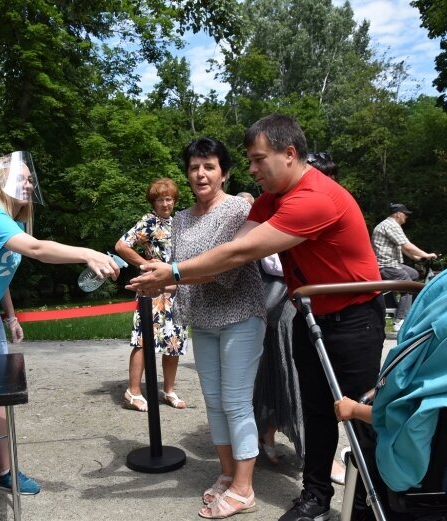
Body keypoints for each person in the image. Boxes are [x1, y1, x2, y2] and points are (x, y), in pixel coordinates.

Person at [129, 114, 385, 521]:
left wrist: (174, 272)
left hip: (354, 318)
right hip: (312, 315)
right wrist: (173, 276)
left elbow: (238, 254)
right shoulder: (272, 198)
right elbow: (232, 249)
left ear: (289, 154)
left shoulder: (313, 197)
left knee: (363, 415)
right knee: (317, 412)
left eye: (256, 159)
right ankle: (316, 498)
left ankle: (371, 504)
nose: (251, 169)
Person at [0, 151, 119, 499]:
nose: (29, 183)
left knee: (1, 393)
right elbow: (39, 249)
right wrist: (88, 253)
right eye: (22, 178)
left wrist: (10, 316)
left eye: (31, 179)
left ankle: (5, 471)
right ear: (1, 185)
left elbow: (2, 274)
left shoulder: (11, 225)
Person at [171, 138, 266, 519]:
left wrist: (170, 278)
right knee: (213, 401)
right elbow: (181, 265)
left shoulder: (239, 210)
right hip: (204, 319)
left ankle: (245, 489)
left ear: (224, 172)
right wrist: (168, 281)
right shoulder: (180, 218)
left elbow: (226, 268)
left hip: (241, 314)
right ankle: (228, 474)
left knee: (236, 401)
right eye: (194, 167)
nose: (200, 174)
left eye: (209, 166)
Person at [236, 192, 303, 467]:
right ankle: (268, 435)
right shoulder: (267, 224)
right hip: (274, 304)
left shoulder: (297, 213)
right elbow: (274, 263)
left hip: (293, 303)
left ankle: (293, 441)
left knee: (292, 371)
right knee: (274, 371)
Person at [115, 178, 189, 411]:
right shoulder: (149, 222)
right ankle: (133, 392)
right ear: (153, 202)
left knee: (174, 341)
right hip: (153, 291)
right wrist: (144, 264)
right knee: (143, 339)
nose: (165, 204)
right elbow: (121, 246)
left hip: (177, 290)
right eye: (160, 199)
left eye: (169, 199)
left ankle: (168, 390)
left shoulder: (180, 222)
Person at [371, 203, 437, 331]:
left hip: (392, 264)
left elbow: (401, 246)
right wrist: (426, 254)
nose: (406, 217)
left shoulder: (388, 224)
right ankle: (400, 321)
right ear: (398, 214)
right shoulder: (391, 225)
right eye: (405, 214)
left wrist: (416, 258)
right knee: (408, 287)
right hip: (387, 265)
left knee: (414, 274)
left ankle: (399, 305)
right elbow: (407, 245)